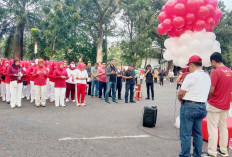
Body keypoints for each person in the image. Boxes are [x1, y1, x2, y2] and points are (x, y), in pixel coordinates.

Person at [178, 55, 211, 157]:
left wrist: (181, 100)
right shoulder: (207, 76)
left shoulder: (191, 76)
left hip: (189, 106)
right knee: (198, 133)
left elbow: (181, 93)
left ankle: (185, 155)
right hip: (202, 106)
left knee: (186, 134)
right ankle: (197, 155)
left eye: (189, 66)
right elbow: (209, 92)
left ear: (192, 65)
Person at [202, 52, 232, 157]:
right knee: (223, 127)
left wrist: (207, 98)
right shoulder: (230, 71)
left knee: (213, 128)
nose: (211, 64)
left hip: (215, 104)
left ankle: (212, 152)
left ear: (214, 61)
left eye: (211, 63)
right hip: (225, 104)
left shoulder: (216, 72)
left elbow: (211, 90)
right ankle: (224, 150)